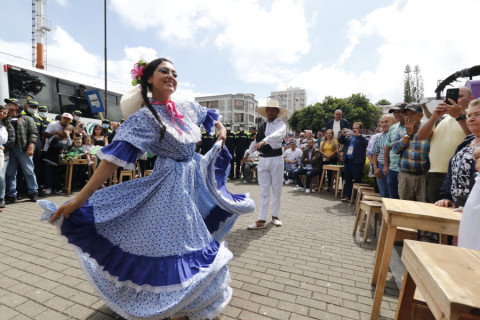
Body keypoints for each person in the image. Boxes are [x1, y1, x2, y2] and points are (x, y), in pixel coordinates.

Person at [39, 58, 254, 320]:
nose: (171, 76)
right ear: (149, 79)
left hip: (194, 179)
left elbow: (212, 118)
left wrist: (221, 131)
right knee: (183, 244)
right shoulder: (145, 117)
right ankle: (176, 303)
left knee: (188, 240)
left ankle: (186, 301)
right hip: (171, 186)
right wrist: (81, 199)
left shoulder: (185, 107)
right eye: (164, 71)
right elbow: (110, 162)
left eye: (175, 72)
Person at [417, 86, 473, 203]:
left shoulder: (472, 118)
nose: (455, 99)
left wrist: (459, 116)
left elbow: (474, 137)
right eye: (453, 96)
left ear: (471, 99)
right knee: (433, 215)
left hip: (458, 175)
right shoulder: (444, 119)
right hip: (434, 173)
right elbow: (421, 136)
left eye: (460, 96)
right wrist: (434, 116)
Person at [242, 99, 287, 229]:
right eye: (269, 109)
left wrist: (265, 141)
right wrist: (247, 153)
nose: (270, 112)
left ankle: (275, 216)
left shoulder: (281, 125)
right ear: (266, 111)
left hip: (276, 159)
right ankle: (261, 219)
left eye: (273, 109)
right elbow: (256, 141)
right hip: (263, 159)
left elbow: (278, 135)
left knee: (277, 189)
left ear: (277, 112)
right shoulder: (261, 126)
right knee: (263, 191)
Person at [435, 98, 480, 208]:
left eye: (477, 114)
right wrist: (446, 197)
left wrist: (473, 208)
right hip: (458, 208)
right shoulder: (466, 142)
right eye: (469, 115)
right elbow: (452, 172)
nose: (471, 119)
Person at [391, 103, 431, 202]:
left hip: (423, 177)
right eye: (406, 114)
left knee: (424, 207)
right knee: (405, 207)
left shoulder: (428, 130)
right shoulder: (399, 132)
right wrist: (408, 135)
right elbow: (395, 150)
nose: (408, 116)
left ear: (421, 116)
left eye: (412, 114)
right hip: (405, 176)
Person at [4, 98, 39, 203]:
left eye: (9, 104)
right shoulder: (4, 120)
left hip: (22, 148)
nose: (6, 106)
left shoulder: (27, 119)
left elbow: (33, 133)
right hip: (9, 150)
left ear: (16, 107)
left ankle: (33, 192)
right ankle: (11, 195)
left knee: (29, 171)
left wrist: (31, 146)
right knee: (10, 173)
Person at [338, 122, 368, 202]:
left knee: (357, 180)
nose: (355, 130)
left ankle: (355, 197)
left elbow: (367, 143)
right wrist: (343, 134)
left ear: (361, 129)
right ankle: (348, 196)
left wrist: (358, 136)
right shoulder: (349, 137)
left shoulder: (363, 137)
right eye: (354, 128)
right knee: (348, 179)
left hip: (357, 162)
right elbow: (340, 141)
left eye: (357, 128)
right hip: (348, 161)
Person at [383, 102, 407, 199]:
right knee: (393, 199)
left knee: (405, 201)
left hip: (406, 170)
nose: (397, 114)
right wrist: (385, 166)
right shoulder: (393, 128)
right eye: (395, 112)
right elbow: (387, 148)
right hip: (392, 170)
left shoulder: (415, 126)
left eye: (400, 112)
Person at [372, 115, 395, 197]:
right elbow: (375, 153)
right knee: (384, 193)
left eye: (386, 122)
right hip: (381, 167)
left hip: (394, 167)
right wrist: (375, 167)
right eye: (382, 122)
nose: (384, 124)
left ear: (394, 122)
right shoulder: (378, 137)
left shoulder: (397, 134)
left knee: (394, 193)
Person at [0, 105, 15, 209]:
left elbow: (11, 141)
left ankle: (1, 198)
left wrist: (2, 147)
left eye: (4, 113)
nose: (2, 114)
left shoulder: (8, 125)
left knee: (1, 177)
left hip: (3, 154)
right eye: (0, 111)